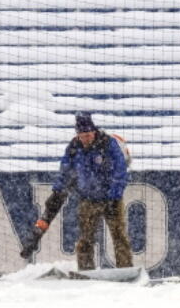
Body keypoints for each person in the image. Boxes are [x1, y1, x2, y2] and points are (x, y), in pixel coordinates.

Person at [35, 112, 133, 270]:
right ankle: (86, 270)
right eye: (82, 136)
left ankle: (125, 268)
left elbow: (120, 170)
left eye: (88, 135)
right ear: (78, 135)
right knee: (86, 238)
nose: (86, 139)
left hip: (112, 199)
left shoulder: (108, 144)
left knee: (119, 236)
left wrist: (114, 194)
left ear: (94, 132)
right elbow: (64, 172)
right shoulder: (73, 147)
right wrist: (57, 190)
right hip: (88, 199)